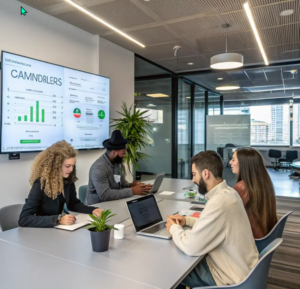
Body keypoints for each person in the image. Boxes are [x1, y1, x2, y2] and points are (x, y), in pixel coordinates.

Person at [166, 151, 258, 288]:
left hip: (229, 276)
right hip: (245, 269)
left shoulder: (218, 203)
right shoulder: (230, 193)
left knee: (174, 268)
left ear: (205, 174)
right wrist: (187, 221)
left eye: (194, 174)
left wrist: (174, 228)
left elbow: (191, 247)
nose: (193, 180)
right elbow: (217, 224)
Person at [19, 140, 103, 228]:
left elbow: (73, 204)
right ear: (56, 166)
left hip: (57, 231)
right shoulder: (40, 184)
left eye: (73, 166)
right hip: (41, 232)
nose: (71, 170)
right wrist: (58, 219)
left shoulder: (67, 180)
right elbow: (24, 219)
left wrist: (93, 210)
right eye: (67, 166)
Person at [85, 130, 152, 205]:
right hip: (97, 209)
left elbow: (122, 184)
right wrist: (132, 190)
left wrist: (133, 185)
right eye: (123, 153)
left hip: (114, 203)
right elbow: (105, 195)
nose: (124, 156)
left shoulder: (117, 163)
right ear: (114, 152)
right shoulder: (99, 168)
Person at [229, 148, 277, 239]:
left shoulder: (242, 187)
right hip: (263, 237)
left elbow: (225, 215)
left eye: (233, 159)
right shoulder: (263, 182)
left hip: (249, 240)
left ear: (244, 163)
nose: (230, 162)